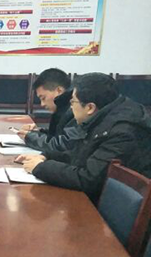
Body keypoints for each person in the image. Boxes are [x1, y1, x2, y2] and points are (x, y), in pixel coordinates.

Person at [19, 73, 151, 204]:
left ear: (90, 107)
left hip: (114, 206)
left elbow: (88, 179)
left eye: (73, 102)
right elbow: (81, 153)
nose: (71, 107)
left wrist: (41, 168)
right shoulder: (103, 116)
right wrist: (46, 156)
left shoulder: (121, 132)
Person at [17, 68, 81, 153]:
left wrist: (30, 138)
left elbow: (63, 146)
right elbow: (57, 135)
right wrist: (37, 132)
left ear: (59, 91)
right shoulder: (62, 107)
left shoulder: (75, 110)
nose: (42, 104)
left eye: (43, 98)